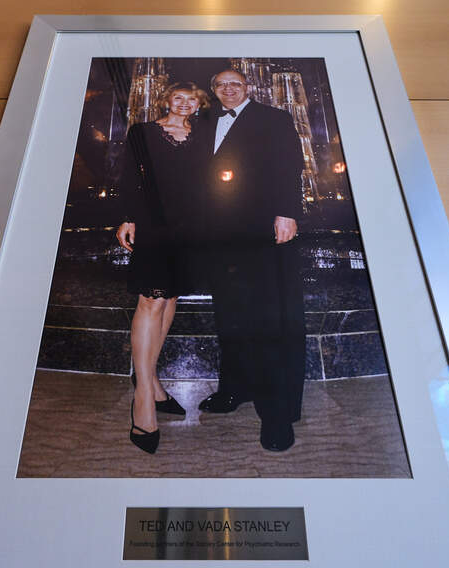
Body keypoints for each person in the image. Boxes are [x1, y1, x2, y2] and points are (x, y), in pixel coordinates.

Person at [196, 69, 306, 452]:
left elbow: (291, 168)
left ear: (248, 88)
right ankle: (234, 390)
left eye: (235, 84)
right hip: (220, 236)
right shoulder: (203, 120)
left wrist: (287, 212)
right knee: (230, 315)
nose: (228, 89)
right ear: (213, 91)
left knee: (271, 320)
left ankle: (278, 414)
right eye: (221, 84)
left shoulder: (274, 119)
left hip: (264, 231)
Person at [115, 82, 210, 454]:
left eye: (193, 99)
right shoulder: (143, 132)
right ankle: (142, 400)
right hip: (153, 223)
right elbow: (129, 178)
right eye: (179, 97)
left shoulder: (202, 136)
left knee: (170, 299)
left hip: (190, 226)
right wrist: (126, 217)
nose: (185, 103)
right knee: (151, 300)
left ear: (198, 105)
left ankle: (153, 384)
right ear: (167, 99)